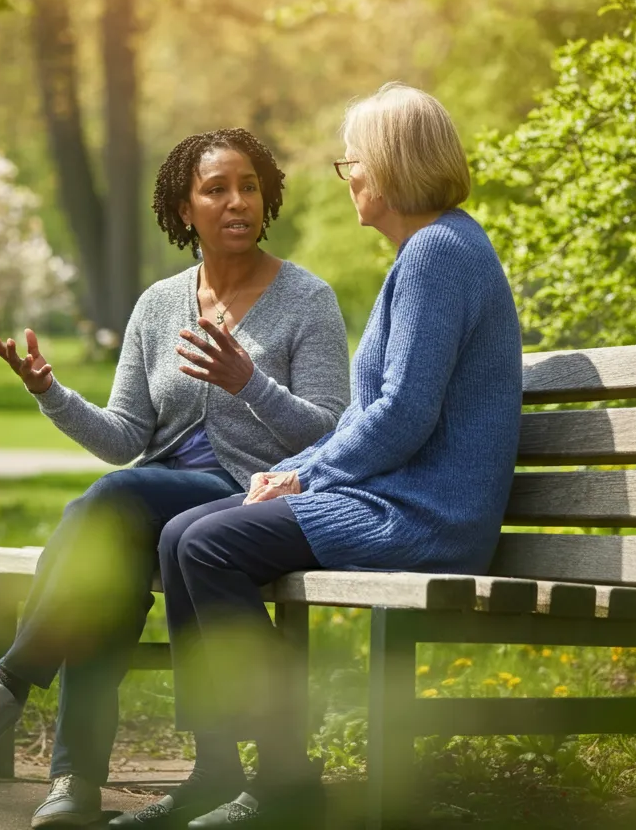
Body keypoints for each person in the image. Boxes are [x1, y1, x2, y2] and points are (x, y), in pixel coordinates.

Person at [0, 128, 350, 829]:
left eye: (248, 186)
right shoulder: (159, 306)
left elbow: (331, 435)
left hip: (253, 498)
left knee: (115, 500)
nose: (236, 201)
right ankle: (74, 783)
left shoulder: (308, 300)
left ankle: (12, 680)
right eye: (216, 189)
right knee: (107, 563)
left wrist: (249, 384)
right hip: (159, 503)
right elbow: (124, 439)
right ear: (185, 209)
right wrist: (50, 394)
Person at [132, 84, 522, 829]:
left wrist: (306, 473)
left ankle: (283, 778)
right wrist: (303, 470)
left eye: (353, 163)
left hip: (427, 516)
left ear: (388, 167)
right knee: (182, 534)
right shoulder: (430, 251)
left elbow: (403, 414)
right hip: (395, 498)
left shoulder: (439, 253)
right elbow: (382, 414)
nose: (349, 179)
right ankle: (214, 767)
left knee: (209, 543)